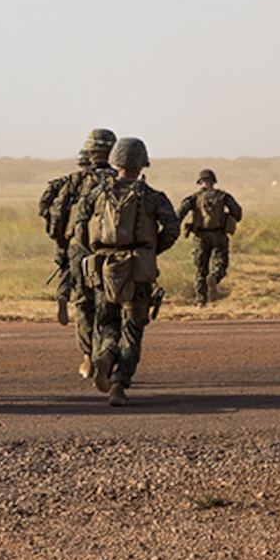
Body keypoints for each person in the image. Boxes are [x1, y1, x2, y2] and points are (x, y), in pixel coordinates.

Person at [72, 137, 179, 406]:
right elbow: (172, 229)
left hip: (104, 269)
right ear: (142, 163)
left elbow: (79, 228)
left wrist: (96, 249)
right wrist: (150, 251)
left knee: (106, 322)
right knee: (132, 328)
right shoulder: (153, 196)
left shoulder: (96, 194)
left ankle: (106, 354)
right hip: (139, 270)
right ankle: (119, 385)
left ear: (116, 161)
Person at [50, 128, 118, 379]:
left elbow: (57, 218)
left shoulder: (74, 181)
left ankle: (88, 358)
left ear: (90, 151)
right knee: (112, 303)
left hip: (79, 250)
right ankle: (108, 352)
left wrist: (63, 246)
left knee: (84, 303)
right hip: (113, 252)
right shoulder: (123, 180)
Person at [39, 147, 92, 326]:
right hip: (93, 235)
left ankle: (63, 295)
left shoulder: (69, 180)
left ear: (79, 163)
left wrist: (50, 219)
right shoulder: (102, 180)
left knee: (66, 266)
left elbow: (45, 203)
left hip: (70, 234)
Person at [176, 168, 243, 304]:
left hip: (200, 236)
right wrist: (227, 218)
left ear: (200, 182)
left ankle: (201, 300)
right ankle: (215, 276)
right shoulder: (223, 196)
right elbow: (238, 213)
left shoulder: (194, 198)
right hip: (219, 234)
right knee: (220, 262)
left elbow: (178, 214)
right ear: (213, 182)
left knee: (200, 269)